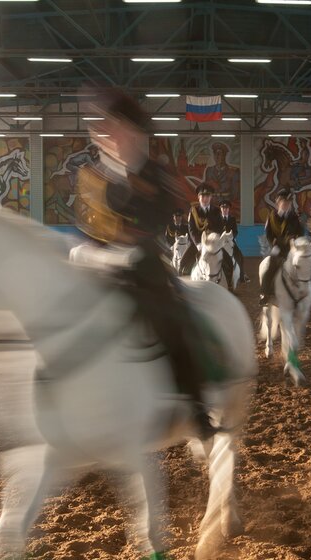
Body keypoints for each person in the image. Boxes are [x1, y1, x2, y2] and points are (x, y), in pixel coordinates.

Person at [75, 88, 218, 438]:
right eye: (102, 128)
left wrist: (128, 245)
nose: (106, 135)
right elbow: (88, 220)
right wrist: (91, 251)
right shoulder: (92, 175)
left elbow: (163, 214)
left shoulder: (156, 172)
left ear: (133, 132)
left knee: (171, 321)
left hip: (144, 265)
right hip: (97, 266)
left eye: (114, 127)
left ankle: (195, 405)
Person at [259, 188, 304, 306]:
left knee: (307, 263)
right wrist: (273, 244)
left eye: (288, 203)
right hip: (278, 248)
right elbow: (268, 233)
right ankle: (265, 293)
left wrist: (296, 242)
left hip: (292, 248)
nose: (286, 205)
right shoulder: (271, 216)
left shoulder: (294, 217)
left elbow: (300, 232)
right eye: (284, 202)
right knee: (271, 266)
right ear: (278, 203)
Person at [186, 183, 230, 282]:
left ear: (211, 197)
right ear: (198, 197)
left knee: (229, 262)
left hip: (214, 243)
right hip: (198, 243)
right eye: (203, 196)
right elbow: (191, 228)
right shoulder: (194, 211)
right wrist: (198, 243)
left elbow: (220, 227)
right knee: (183, 264)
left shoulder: (216, 211)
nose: (205, 199)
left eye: (207, 196)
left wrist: (218, 240)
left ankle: (230, 285)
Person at [219, 200, 250, 284]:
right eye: (223, 208)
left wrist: (231, 237)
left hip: (230, 241)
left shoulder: (232, 219)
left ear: (229, 209)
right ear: (220, 209)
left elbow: (235, 231)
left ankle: (242, 275)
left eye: (226, 208)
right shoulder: (217, 219)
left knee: (240, 256)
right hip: (220, 242)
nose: (225, 210)